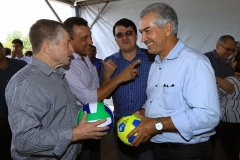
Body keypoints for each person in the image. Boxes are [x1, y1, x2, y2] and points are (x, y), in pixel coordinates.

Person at [5, 19, 109, 160]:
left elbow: (63, 109)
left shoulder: (57, 74)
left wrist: (88, 114)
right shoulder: (25, 84)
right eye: (67, 44)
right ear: (47, 47)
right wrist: (75, 134)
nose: (71, 50)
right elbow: (24, 140)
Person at [127, 3, 220, 160]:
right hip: (159, 148)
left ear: (168, 28)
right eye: (141, 32)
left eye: (147, 31)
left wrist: (156, 124)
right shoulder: (156, 64)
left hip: (188, 152)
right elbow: (157, 100)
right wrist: (145, 111)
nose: (143, 39)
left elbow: (208, 116)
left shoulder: (194, 62)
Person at [63, 17, 140, 160]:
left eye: (90, 36)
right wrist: (119, 77)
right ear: (69, 39)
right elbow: (90, 99)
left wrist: (107, 76)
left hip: (96, 125)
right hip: (79, 127)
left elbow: (99, 93)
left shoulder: (85, 58)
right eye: (84, 38)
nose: (91, 42)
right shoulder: (68, 65)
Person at [100, 18, 154, 160]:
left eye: (129, 33)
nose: (124, 37)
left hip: (146, 122)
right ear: (115, 39)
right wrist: (107, 76)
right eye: (120, 35)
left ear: (136, 35)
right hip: (121, 124)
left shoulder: (152, 58)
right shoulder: (109, 62)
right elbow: (104, 95)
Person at [0, 42, 27, 160]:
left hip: (24, 113)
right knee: (4, 147)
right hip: (2, 116)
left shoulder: (20, 65)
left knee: (24, 147)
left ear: (2, 49)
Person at [217, 51, 240, 160]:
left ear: (234, 63)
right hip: (237, 122)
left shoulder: (230, 82)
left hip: (227, 123)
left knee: (229, 153)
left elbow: (214, 98)